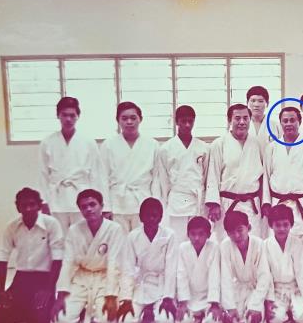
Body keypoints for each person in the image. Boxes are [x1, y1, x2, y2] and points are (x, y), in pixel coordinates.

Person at [51, 189, 126, 323]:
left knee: (107, 322)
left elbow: (114, 263)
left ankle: (94, 305)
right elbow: (67, 262)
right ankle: (83, 306)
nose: (89, 209)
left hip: (104, 278)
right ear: (80, 210)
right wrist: (60, 295)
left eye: (93, 204)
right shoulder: (74, 230)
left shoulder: (115, 229)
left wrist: (111, 296)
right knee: (59, 321)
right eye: (84, 206)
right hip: (81, 278)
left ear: (102, 206)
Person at [0, 188, 63, 323]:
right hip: (21, 279)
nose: (28, 209)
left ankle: (28, 309)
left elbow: (58, 259)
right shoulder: (12, 226)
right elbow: (2, 259)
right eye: (23, 205)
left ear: (40, 205)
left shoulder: (51, 224)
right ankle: (26, 307)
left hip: (44, 279)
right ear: (18, 207)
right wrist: (1, 291)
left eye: (32, 204)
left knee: (42, 321)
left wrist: (49, 289)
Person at [39, 96, 107, 235]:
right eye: (64, 115)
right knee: (58, 238)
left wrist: (98, 203)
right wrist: (44, 201)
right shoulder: (47, 142)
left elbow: (97, 174)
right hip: (56, 198)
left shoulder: (88, 142)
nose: (68, 119)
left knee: (82, 237)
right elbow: (43, 174)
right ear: (58, 115)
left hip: (82, 198)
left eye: (72, 115)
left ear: (78, 116)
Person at [262, 107, 303, 237]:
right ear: (280, 123)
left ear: (299, 122)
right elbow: (266, 177)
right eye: (285, 121)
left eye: (292, 120)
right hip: (278, 204)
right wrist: (266, 202)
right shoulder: (271, 148)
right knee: (278, 242)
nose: (288, 124)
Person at [205, 104, 265, 240]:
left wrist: (264, 202)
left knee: (253, 243)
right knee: (226, 243)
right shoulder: (218, 144)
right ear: (229, 121)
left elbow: (262, 177)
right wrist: (214, 204)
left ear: (250, 120)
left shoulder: (257, 143)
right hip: (227, 204)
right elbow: (212, 175)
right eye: (237, 118)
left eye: (245, 118)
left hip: (251, 205)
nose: (242, 122)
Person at [101, 101, 160, 232]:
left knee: (142, 244)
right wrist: (106, 207)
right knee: (119, 244)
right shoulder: (108, 145)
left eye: (133, 118)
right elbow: (102, 177)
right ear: (118, 120)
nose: (129, 122)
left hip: (143, 202)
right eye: (124, 118)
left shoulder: (152, 144)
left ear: (140, 119)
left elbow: (156, 178)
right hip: (117, 203)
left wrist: (155, 205)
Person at [117, 198, 177, 323]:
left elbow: (171, 268)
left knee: (165, 322)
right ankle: (144, 311)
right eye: (147, 216)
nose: (151, 219)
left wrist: (168, 297)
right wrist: (126, 298)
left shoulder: (169, 235)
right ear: (140, 217)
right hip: (141, 285)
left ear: (161, 217)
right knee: (124, 322)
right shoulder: (133, 236)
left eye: (155, 216)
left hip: (161, 286)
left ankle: (155, 309)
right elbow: (128, 268)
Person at [157, 105, 209, 244]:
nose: (187, 125)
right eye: (183, 121)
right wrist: (164, 203)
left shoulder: (203, 147)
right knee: (178, 241)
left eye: (190, 121)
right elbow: (163, 181)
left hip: (197, 200)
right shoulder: (165, 149)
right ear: (176, 121)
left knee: (198, 241)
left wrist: (207, 202)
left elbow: (207, 178)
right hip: (177, 201)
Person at [263, 204, 303, 323]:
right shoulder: (265, 245)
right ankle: (286, 313)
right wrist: (269, 300)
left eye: (285, 225)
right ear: (271, 225)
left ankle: (294, 309)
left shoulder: (296, 243)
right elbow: (266, 275)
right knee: (275, 320)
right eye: (278, 225)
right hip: (277, 291)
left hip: (295, 289)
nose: (282, 229)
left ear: (291, 225)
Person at [219, 211, 271, 323]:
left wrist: (256, 305)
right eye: (231, 232)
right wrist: (230, 307)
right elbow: (225, 278)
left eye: (240, 230)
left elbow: (264, 276)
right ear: (227, 233)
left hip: (254, 290)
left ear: (248, 227)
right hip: (236, 290)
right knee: (230, 321)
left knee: (254, 321)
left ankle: (256, 308)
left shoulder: (259, 244)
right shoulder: (225, 246)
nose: (236, 235)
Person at [176, 216, 224, 323]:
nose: (196, 238)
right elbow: (181, 275)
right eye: (193, 234)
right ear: (188, 234)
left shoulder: (213, 247)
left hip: (208, 298)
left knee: (214, 322)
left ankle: (202, 316)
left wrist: (214, 303)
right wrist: (183, 302)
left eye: (201, 234)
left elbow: (214, 275)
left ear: (208, 234)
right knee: (181, 322)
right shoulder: (183, 248)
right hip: (190, 298)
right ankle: (197, 317)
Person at [246, 85, 282, 155]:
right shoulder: (241, 126)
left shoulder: (276, 126)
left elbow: (281, 150)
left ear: (267, 103)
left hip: (270, 165)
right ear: (247, 102)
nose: (256, 104)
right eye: (253, 101)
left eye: (260, 101)